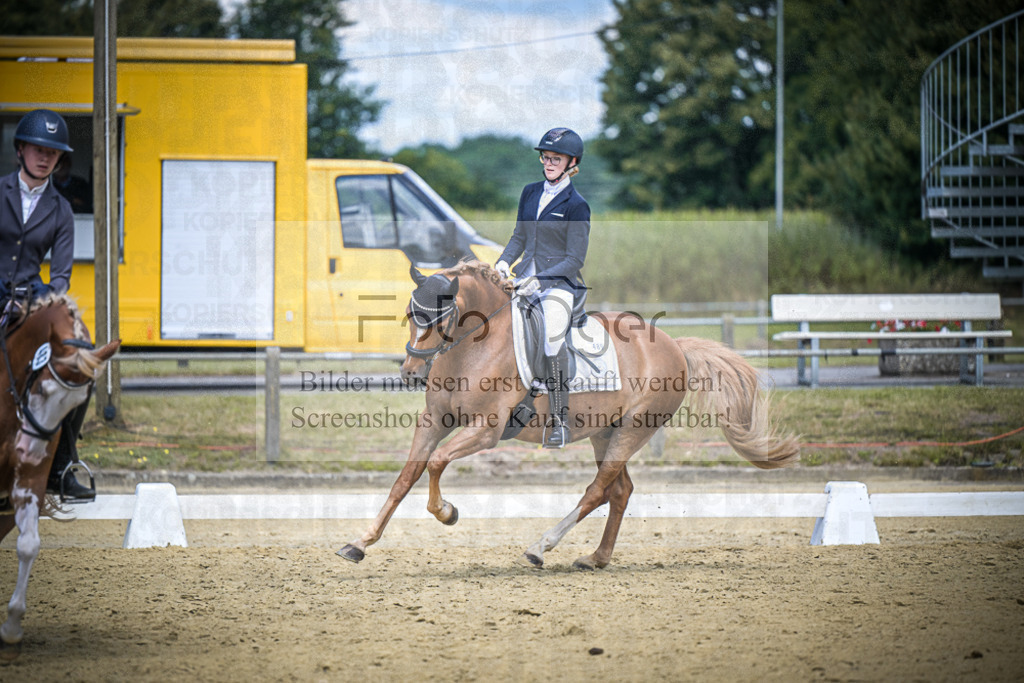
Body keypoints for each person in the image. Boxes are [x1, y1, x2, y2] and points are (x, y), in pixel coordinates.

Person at [1, 108, 94, 501]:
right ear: (20, 149)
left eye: (52, 153)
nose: (45, 158)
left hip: (30, 302)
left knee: (80, 363)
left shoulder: (61, 209)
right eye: (38, 150)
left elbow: (60, 278)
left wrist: (38, 310)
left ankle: (61, 467)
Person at [496, 127, 590, 449]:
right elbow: (519, 238)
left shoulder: (577, 205)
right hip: (523, 279)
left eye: (556, 159)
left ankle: (560, 422)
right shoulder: (530, 192)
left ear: (571, 162)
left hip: (558, 287)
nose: (548, 163)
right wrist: (502, 263)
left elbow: (575, 259)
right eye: (546, 157)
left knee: (551, 338)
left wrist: (542, 279)